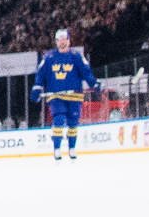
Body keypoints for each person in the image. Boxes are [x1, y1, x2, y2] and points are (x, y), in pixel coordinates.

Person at [32, 29, 99, 160]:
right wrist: (37, 87)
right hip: (56, 95)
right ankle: (57, 149)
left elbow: (86, 72)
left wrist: (94, 83)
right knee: (59, 119)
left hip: (74, 95)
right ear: (56, 42)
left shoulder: (76, 56)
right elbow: (40, 74)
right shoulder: (49, 57)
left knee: (73, 122)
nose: (62, 42)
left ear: (69, 40)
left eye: (65, 39)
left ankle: (72, 148)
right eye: (59, 40)